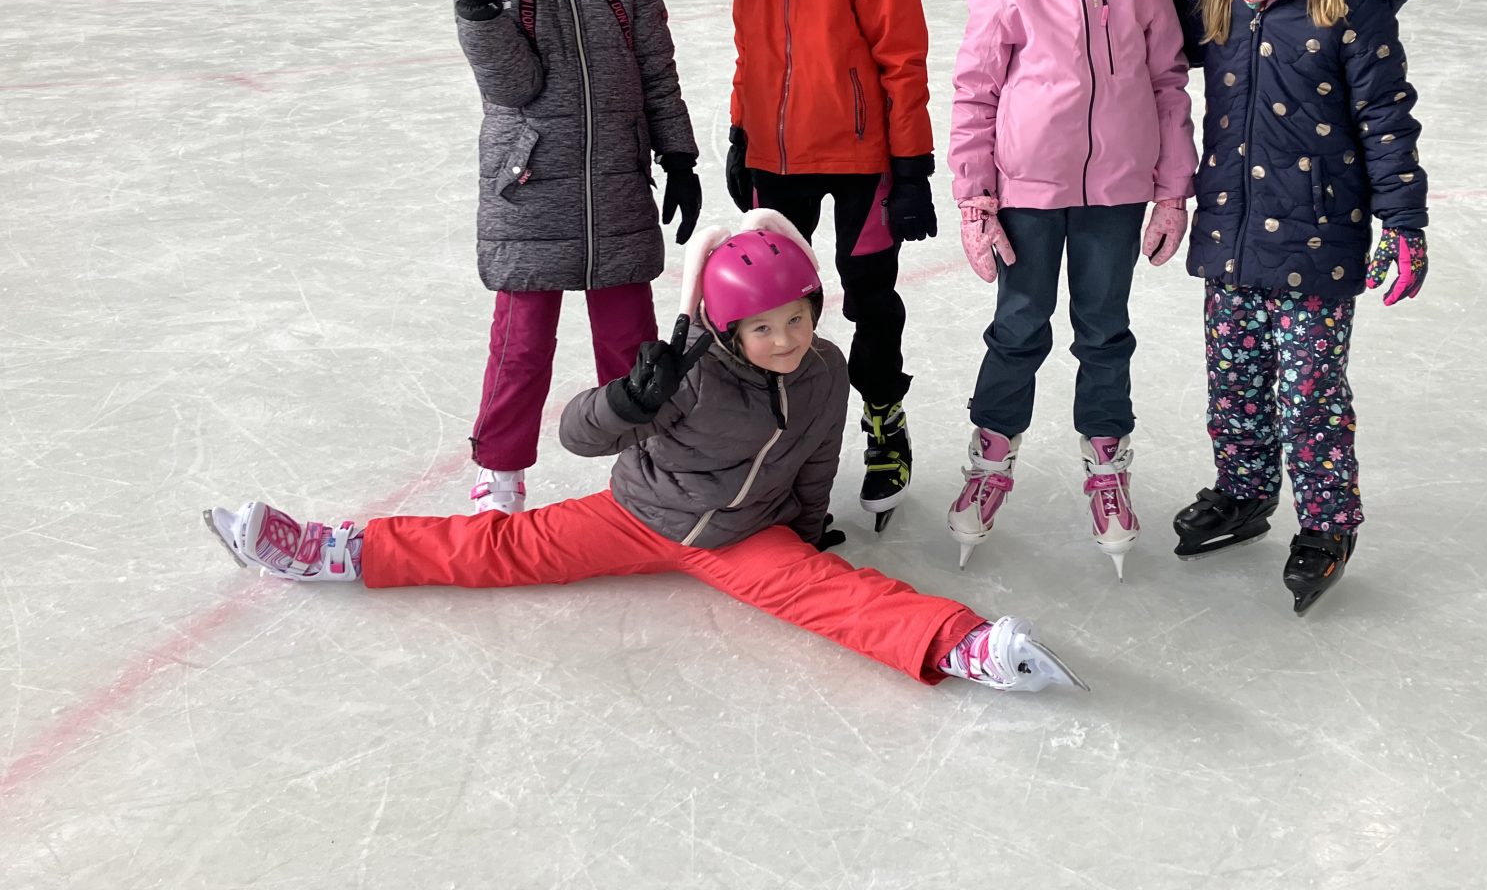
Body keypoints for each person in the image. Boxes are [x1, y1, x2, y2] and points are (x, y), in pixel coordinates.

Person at [203, 213, 1088, 695]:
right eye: (763, 328)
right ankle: (335, 550)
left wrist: (809, 523)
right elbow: (578, 436)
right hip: (637, 514)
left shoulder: (824, 371)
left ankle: (965, 647)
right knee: (500, 549)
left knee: (837, 596)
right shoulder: (686, 376)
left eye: (796, 319)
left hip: (745, 536)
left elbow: (819, 455)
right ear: (726, 328)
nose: (784, 339)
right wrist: (629, 399)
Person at [1171, 0, 1430, 616]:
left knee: (1310, 393)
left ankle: (1326, 523)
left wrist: (1404, 222)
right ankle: (1245, 490)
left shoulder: (1347, 3)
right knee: (1234, 383)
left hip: (1318, 240)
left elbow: (1386, 118)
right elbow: (1143, 44)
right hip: (1231, 233)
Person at [947, 0, 1199, 580]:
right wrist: (975, 199)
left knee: (1105, 332)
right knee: (1018, 329)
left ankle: (1107, 466)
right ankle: (990, 462)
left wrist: (1171, 190)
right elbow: (975, 92)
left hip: (1116, 196)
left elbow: (1168, 85)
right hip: (1026, 193)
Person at [437, 0, 700, 515]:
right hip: (529, 194)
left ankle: (646, 458)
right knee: (521, 346)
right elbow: (514, 88)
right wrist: (477, 12)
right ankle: (500, 473)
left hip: (617, 187)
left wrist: (678, 155)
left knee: (630, 344)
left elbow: (658, 75)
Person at [724, 0, 937, 534]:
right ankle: (769, 439)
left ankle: (884, 422)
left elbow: (903, 65)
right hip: (775, 162)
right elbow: (749, 54)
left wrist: (911, 169)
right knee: (767, 310)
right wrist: (740, 133)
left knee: (871, 299)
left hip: (861, 165)